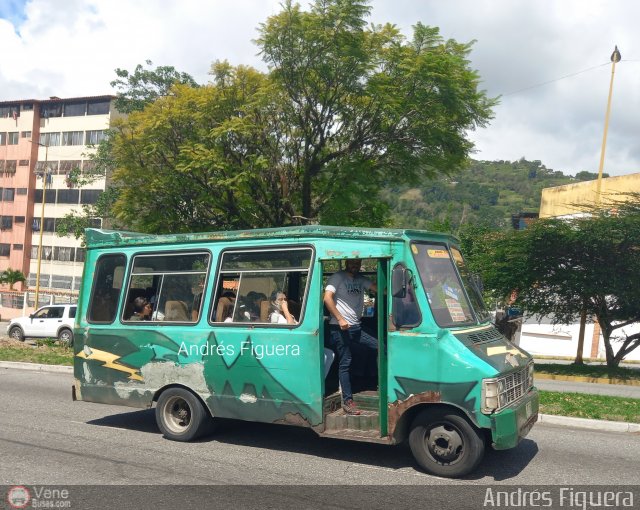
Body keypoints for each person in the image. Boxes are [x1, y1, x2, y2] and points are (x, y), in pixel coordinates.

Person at [323, 259, 377, 415]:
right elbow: (327, 298)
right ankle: (347, 401)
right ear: (347, 263)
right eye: (353, 263)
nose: (355, 266)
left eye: (358, 263)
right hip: (340, 327)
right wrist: (340, 318)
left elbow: (378, 289)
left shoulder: (360, 279)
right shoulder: (337, 277)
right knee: (346, 361)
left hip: (356, 327)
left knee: (381, 347)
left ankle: (380, 386)